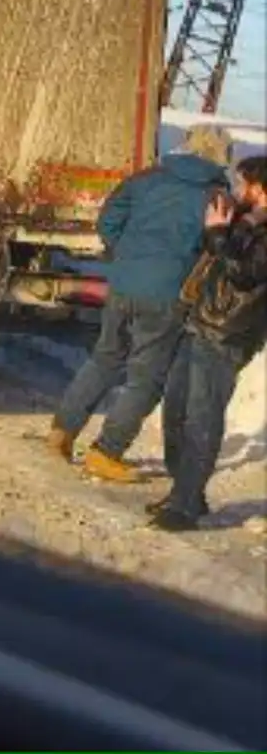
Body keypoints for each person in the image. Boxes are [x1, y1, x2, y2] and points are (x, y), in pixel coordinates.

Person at [47, 127, 232, 484]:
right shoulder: (217, 197)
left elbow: (108, 222)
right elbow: (219, 250)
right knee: (146, 380)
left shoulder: (146, 178)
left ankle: (61, 433)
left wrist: (127, 256)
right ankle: (107, 452)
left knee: (104, 358)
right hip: (167, 294)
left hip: (123, 283)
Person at [149, 156, 267, 532]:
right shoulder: (246, 220)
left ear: (261, 188)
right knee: (176, 410)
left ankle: (185, 505)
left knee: (203, 418)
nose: (239, 189)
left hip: (228, 334)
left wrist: (219, 235)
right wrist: (220, 229)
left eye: (245, 183)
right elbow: (215, 255)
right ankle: (185, 491)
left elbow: (245, 274)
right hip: (201, 322)